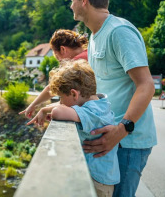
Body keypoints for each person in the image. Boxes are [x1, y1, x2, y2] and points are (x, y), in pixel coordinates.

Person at [70, 0, 157, 197]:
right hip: (110, 140)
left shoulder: (119, 31)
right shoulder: (95, 35)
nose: (71, 5)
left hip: (127, 142)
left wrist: (122, 130)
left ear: (84, 0)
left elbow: (146, 85)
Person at [27, 60, 119, 197]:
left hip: (97, 180)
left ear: (74, 94)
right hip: (101, 176)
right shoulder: (100, 103)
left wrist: (53, 109)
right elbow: (68, 108)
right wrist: (45, 109)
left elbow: (58, 112)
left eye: (61, 98)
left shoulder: (93, 111)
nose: (61, 102)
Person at [19, 29, 88, 118]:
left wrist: (34, 105)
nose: (60, 63)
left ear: (63, 49)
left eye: (58, 57)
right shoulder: (89, 54)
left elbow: (54, 88)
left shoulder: (76, 64)